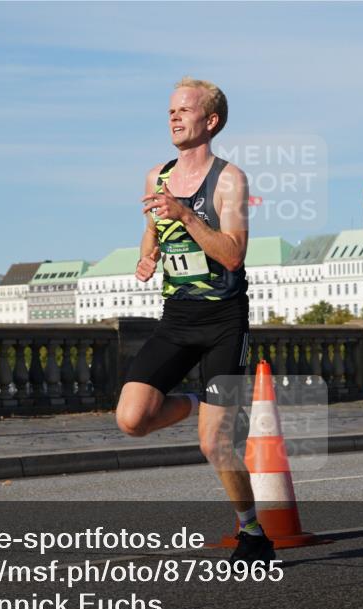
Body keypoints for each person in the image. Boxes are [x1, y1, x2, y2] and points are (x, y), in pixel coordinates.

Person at [116, 77, 274, 563]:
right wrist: (148, 257)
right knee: (132, 419)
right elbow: (151, 230)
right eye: (170, 112)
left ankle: (252, 533)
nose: (174, 118)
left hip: (225, 324)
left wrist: (186, 216)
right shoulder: (155, 178)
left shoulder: (230, 180)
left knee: (215, 445)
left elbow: (232, 255)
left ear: (211, 121)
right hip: (176, 319)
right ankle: (190, 400)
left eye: (184, 111)